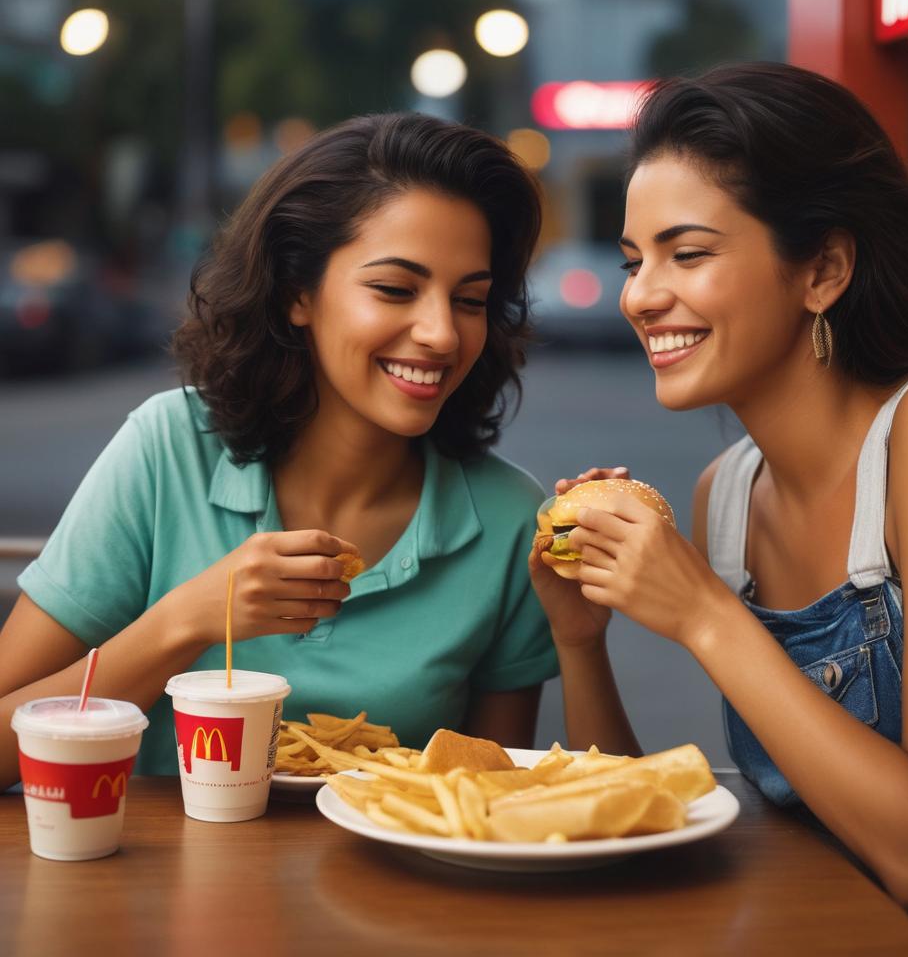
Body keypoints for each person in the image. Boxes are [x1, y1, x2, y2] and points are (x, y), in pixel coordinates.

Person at [529, 63, 908, 952]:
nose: (641, 296)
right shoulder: (727, 493)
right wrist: (580, 640)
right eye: (634, 262)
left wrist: (703, 614)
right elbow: (639, 827)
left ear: (824, 270)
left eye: (688, 254)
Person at [0, 112, 558, 786]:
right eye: (394, 289)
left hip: (392, 894)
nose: (442, 334)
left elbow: (493, 800)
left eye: (470, 300)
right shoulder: (166, 449)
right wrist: (182, 622)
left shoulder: (511, 520)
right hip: (159, 888)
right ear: (299, 292)